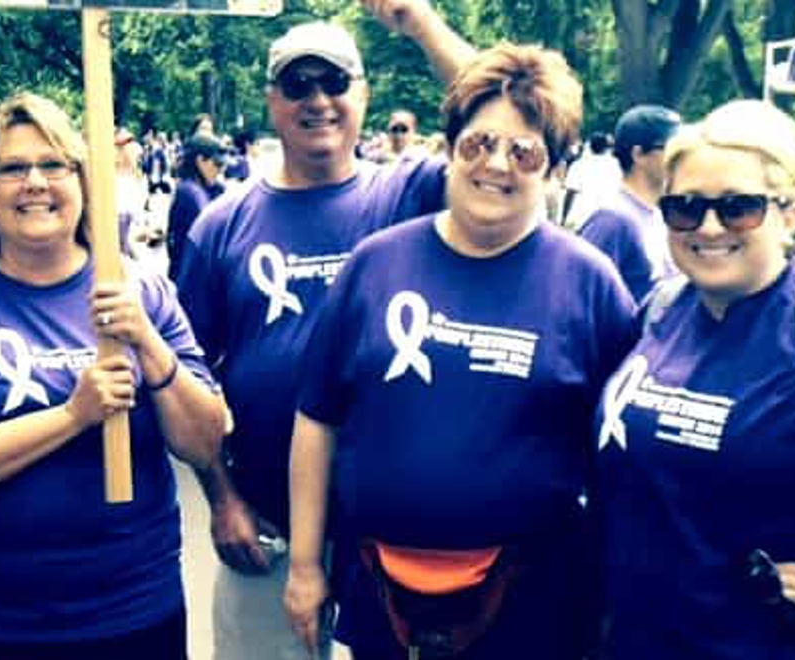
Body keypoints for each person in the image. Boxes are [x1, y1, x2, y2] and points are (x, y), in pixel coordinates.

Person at [284, 42, 637, 660]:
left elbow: (623, 462)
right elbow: (317, 422)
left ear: (553, 169)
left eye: (524, 151)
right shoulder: (375, 264)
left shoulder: (591, 284)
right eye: (478, 143)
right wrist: (307, 566)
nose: (496, 165)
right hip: (376, 596)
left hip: (535, 605)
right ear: (449, 149)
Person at [174, 3, 475, 658]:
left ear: (363, 94)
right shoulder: (220, 227)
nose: (318, 100)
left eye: (335, 82)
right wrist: (221, 498)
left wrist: (421, 24)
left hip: (395, 537)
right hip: (268, 531)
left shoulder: (410, 196)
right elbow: (183, 379)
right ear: (271, 100)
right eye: (298, 84)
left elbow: (495, 116)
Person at [0, 91, 225, 659]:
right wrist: (73, 416)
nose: (35, 182)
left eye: (53, 165)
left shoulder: (141, 291)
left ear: (84, 182)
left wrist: (147, 342)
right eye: (13, 168)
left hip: (130, 615)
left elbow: (207, 440)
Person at [595, 99, 795, 659]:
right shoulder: (660, 309)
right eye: (685, 208)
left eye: (739, 207)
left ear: (788, 213)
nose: (710, 228)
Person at [579, 105, 681, 302]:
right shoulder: (613, 220)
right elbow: (580, 293)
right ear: (638, 154)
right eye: (673, 148)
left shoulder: (659, 215)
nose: (682, 157)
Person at [167, 133, 226, 281]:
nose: (220, 170)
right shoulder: (192, 193)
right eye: (217, 164)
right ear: (200, 161)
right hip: (188, 280)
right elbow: (210, 241)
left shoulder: (198, 188)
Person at [562, 131, 623, 230]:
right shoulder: (616, 165)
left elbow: (570, 193)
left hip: (580, 219)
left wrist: (564, 218)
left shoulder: (579, 165)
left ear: (589, 146)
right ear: (606, 147)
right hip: (607, 219)